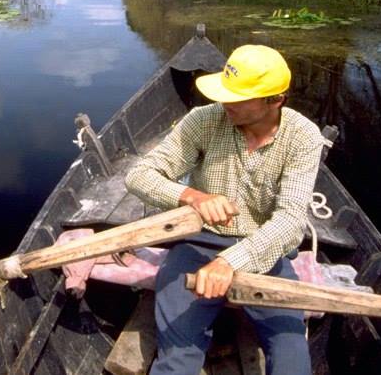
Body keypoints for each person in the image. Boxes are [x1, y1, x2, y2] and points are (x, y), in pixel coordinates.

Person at [125, 44, 324, 375]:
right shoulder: (204, 120)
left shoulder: (303, 138)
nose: (224, 102)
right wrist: (192, 196)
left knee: (292, 358)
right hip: (198, 244)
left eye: (238, 97)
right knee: (177, 357)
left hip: (264, 251)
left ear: (275, 100)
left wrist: (230, 262)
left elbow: (289, 223)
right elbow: (139, 176)